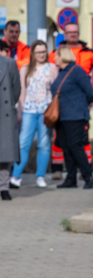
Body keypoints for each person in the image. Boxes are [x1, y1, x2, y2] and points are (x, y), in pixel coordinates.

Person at [10, 41, 57, 189]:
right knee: (23, 144)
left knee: (44, 145)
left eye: (44, 52)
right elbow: (21, 92)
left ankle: (40, 176)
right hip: (28, 110)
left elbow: (56, 92)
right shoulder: (25, 69)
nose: (42, 55)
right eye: (38, 52)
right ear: (33, 54)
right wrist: (19, 112)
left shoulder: (52, 68)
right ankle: (16, 176)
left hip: (46, 111)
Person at [52, 46, 93, 189]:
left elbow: (90, 93)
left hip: (75, 116)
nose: (54, 58)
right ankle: (71, 179)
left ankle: (88, 177)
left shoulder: (77, 71)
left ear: (63, 56)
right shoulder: (61, 72)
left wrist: (82, 105)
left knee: (75, 147)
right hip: (62, 117)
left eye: (56, 55)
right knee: (66, 147)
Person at [0, 51, 20, 199]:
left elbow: (16, 90)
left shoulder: (9, 63)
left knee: (4, 154)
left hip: (4, 112)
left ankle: (4, 187)